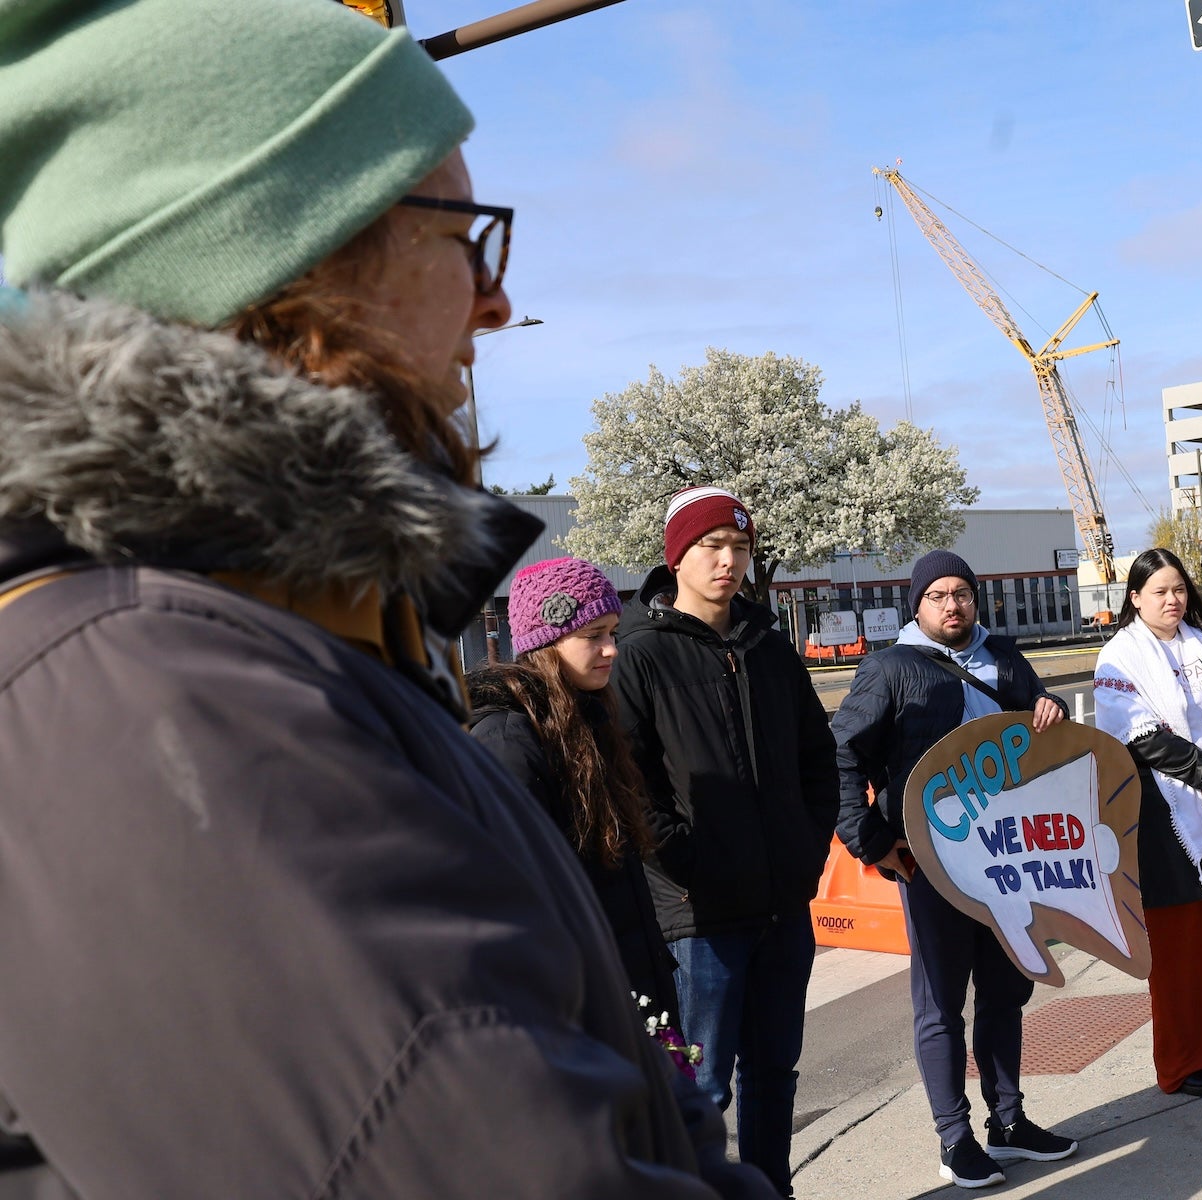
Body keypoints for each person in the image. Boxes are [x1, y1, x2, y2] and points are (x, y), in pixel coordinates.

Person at [0, 2, 772, 1197]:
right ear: (290, 269)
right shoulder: (157, 696)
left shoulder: (265, 641)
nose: (494, 302)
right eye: (462, 235)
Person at [611, 487, 839, 1200]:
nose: (728, 561)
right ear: (677, 557)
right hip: (700, 917)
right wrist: (691, 863)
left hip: (781, 905)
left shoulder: (770, 647)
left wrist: (806, 849)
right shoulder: (641, 655)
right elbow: (630, 785)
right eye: (712, 546)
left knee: (774, 1073)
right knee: (702, 1085)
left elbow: (817, 758)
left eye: (740, 548)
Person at [833, 550, 1079, 1190]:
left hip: (1008, 856)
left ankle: (1009, 1122)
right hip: (931, 862)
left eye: (962, 593)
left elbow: (1042, 721)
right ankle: (954, 1138)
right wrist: (871, 842)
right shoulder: (890, 668)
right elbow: (842, 756)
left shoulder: (1002, 656)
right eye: (938, 595)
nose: (952, 604)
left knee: (1006, 990)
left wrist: (1050, 703)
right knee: (941, 1004)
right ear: (917, 604)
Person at [467, 556, 681, 1026]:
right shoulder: (509, 741)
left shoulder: (586, 722)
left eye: (613, 633)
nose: (611, 650)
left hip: (628, 987)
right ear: (546, 643)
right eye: (592, 636)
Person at [1093, 549, 1202, 1099]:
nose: (1172, 600)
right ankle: (1184, 1062)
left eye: (1179, 590)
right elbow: (1139, 736)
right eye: (1159, 592)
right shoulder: (1118, 658)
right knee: (1179, 945)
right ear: (1134, 598)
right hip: (1163, 817)